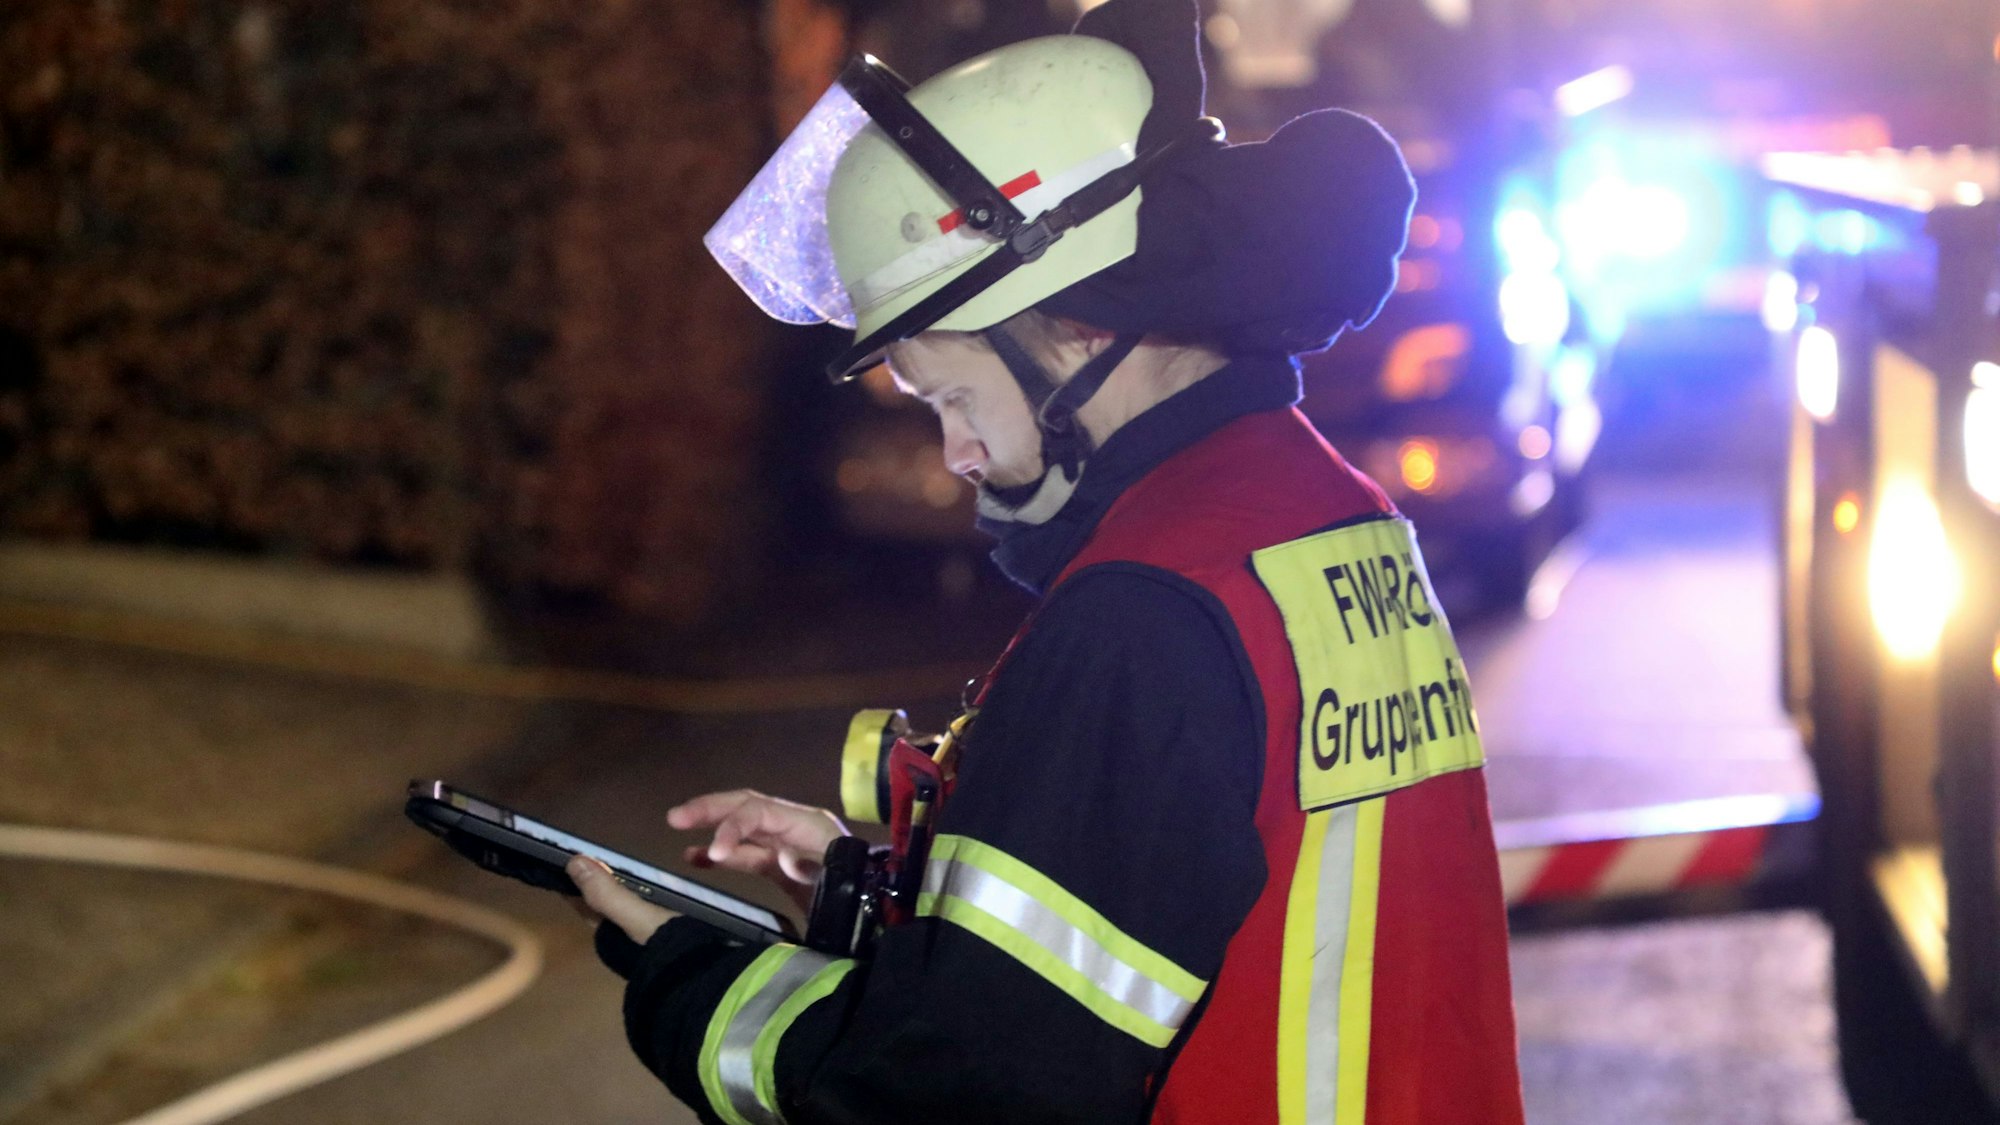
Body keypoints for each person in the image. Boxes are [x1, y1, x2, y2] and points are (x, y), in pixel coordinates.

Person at [568, 0, 1525, 1121]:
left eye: (954, 397)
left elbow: (964, 1091)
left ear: (1073, 326)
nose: (959, 453)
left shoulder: (1144, 610)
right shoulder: (1324, 517)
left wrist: (693, 982)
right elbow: (1184, 903)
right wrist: (869, 886)